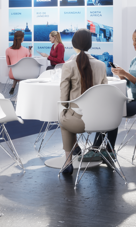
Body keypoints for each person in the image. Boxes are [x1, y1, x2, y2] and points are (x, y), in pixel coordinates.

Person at [85, 23, 136, 161]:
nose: (134, 43)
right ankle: (105, 150)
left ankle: (102, 149)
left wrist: (125, 73)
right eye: (133, 40)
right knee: (110, 108)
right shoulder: (134, 60)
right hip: (135, 99)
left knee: (114, 110)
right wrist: (122, 76)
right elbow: (131, 86)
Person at [58, 29, 109, 174]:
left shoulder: (68, 65)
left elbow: (63, 98)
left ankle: (68, 160)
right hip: (100, 121)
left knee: (63, 118)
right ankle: (74, 148)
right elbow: (104, 94)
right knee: (67, 116)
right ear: (90, 45)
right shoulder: (101, 65)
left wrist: (64, 110)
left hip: (78, 123)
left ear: (74, 45)